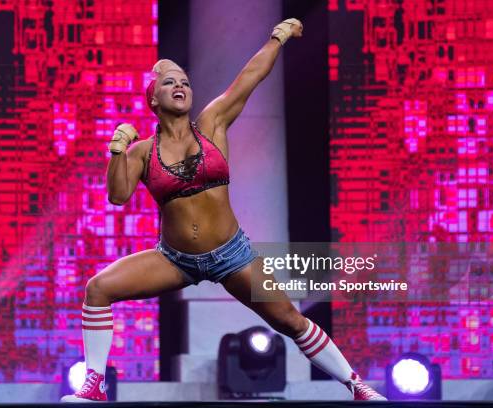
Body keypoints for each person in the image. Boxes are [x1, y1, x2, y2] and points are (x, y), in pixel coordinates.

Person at [61, 18, 386, 402]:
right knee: (97, 289)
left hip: (232, 255)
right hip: (175, 259)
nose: (179, 86)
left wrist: (276, 40)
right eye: (169, 82)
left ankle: (356, 385)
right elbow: (117, 195)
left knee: (290, 320)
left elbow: (249, 79)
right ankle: (93, 385)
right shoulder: (142, 152)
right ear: (153, 99)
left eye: (184, 81)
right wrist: (117, 151)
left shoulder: (212, 125)